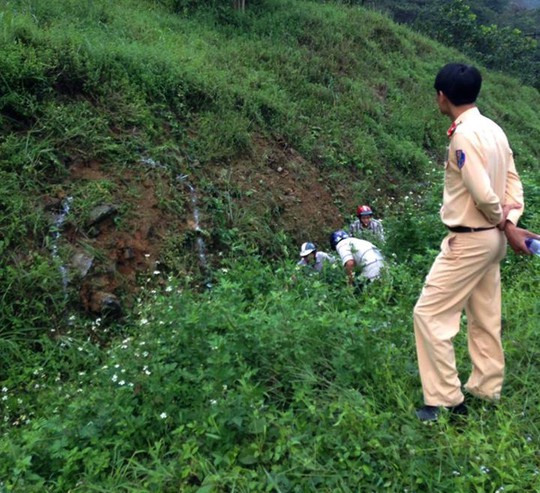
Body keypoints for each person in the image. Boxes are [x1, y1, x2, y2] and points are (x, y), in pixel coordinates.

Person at [413, 63, 540, 422]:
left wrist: (505, 223)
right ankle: (486, 388)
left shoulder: (463, 135)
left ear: (442, 96)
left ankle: (445, 401)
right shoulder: (494, 129)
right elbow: (514, 183)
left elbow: (483, 194)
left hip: (470, 239)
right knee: (484, 315)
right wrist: (510, 223)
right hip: (495, 240)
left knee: (430, 314)